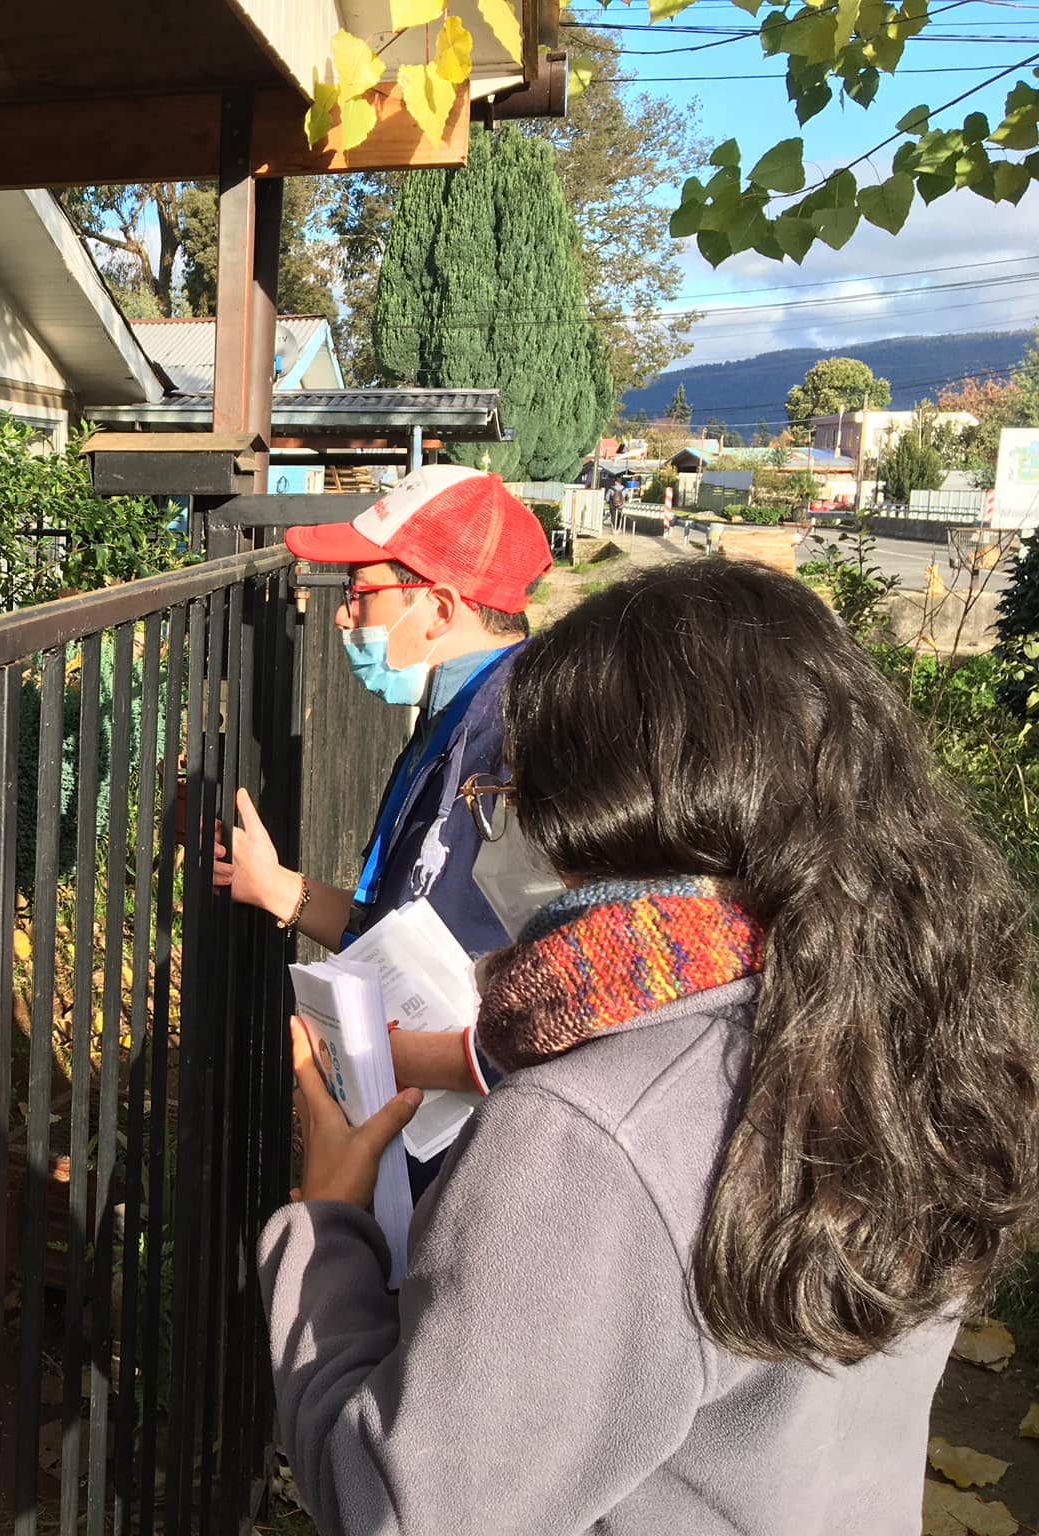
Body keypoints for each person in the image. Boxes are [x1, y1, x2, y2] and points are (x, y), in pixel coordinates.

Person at [261, 560, 1039, 1532]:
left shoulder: (586, 1132)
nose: (498, 822)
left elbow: (400, 1511)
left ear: (591, 808)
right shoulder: (894, 1024)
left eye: (508, 791)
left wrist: (325, 1224)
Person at [216, 466, 550, 1137]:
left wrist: (380, 1058)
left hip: (482, 1146)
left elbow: (564, 1006)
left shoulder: (526, 740)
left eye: (362, 592)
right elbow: (404, 921)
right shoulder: (461, 711)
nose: (342, 613)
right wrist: (279, 888)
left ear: (442, 608)